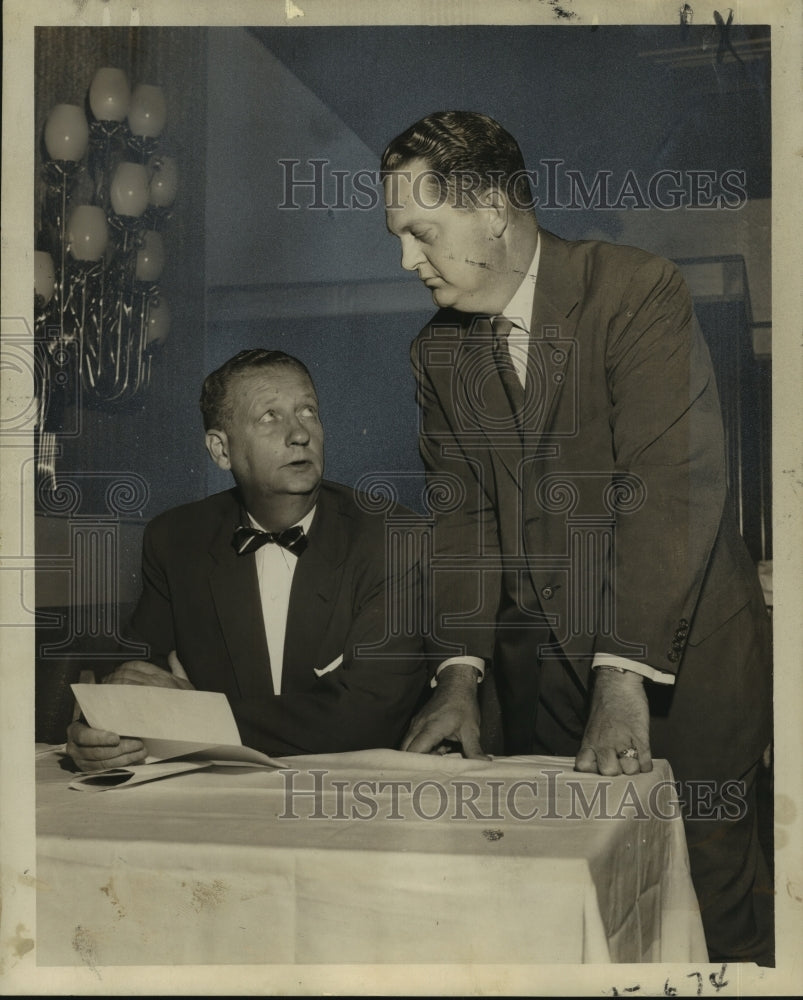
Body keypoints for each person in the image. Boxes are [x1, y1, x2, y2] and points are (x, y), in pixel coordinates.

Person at [380, 110, 773, 964]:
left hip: (684, 672)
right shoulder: (436, 355)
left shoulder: (635, 290)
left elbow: (671, 490)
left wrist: (623, 677)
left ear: (491, 207)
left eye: (420, 232)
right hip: (554, 681)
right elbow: (463, 520)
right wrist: (457, 675)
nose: (407, 258)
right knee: (579, 925)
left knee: (710, 922)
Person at [66, 349, 427, 769]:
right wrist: (97, 730)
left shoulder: (388, 535)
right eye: (269, 417)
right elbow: (135, 679)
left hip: (347, 793)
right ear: (221, 450)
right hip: (213, 794)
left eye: (308, 411)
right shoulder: (176, 540)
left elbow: (369, 716)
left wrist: (195, 717)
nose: (299, 434)